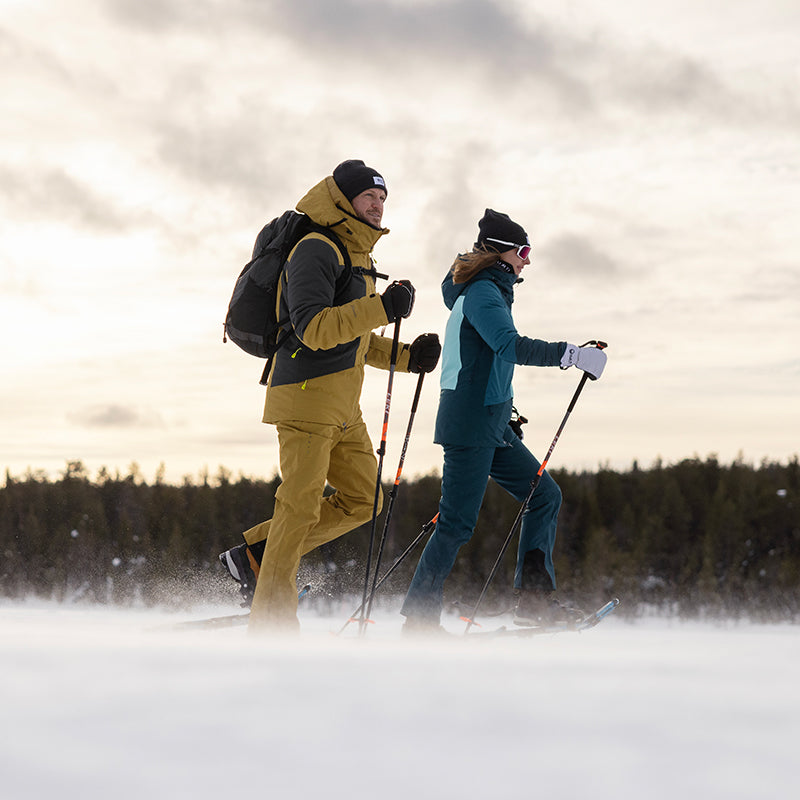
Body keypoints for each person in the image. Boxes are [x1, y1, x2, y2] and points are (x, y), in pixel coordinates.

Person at [219, 160, 441, 633]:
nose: (378, 206)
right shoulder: (316, 248)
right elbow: (315, 329)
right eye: (369, 198)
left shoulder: (358, 258)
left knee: (365, 501)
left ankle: (260, 552)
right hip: (304, 402)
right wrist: (381, 306)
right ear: (344, 200)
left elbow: (356, 340)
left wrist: (409, 357)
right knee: (297, 510)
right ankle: (273, 625)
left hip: (343, 410)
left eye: (383, 199)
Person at [400, 209, 606, 635]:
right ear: (500, 252)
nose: (528, 260)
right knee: (455, 523)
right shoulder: (482, 293)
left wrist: (503, 411)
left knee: (545, 495)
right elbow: (508, 346)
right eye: (523, 251)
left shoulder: (487, 290)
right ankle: (418, 621)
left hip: (490, 425)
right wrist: (571, 354)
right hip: (470, 426)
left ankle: (533, 600)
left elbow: (486, 364)